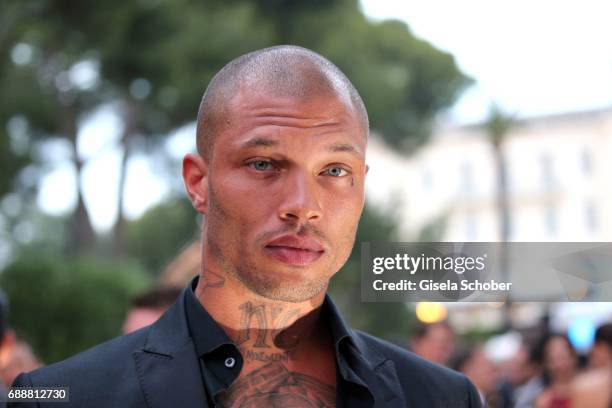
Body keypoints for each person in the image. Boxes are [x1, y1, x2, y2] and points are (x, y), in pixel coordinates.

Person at [10, 45, 481, 407]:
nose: (303, 206)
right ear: (198, 182)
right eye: (263, 164)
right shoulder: (61, 396)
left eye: (335, 171)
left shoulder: (444, 397)